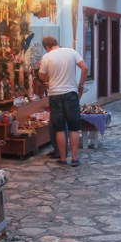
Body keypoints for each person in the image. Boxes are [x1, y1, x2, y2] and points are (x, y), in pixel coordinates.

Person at [38, 36, 88, 166]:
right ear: (57, 44)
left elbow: (42, 76)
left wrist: (50, 78)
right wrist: (80, 84)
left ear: (46, 47)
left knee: (59, 128)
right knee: (73, 128)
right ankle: (75, 158)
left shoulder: (47, 57)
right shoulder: (71, 52)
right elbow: (85, 68)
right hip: (71, 94)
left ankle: (62, 158)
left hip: (55, 95)